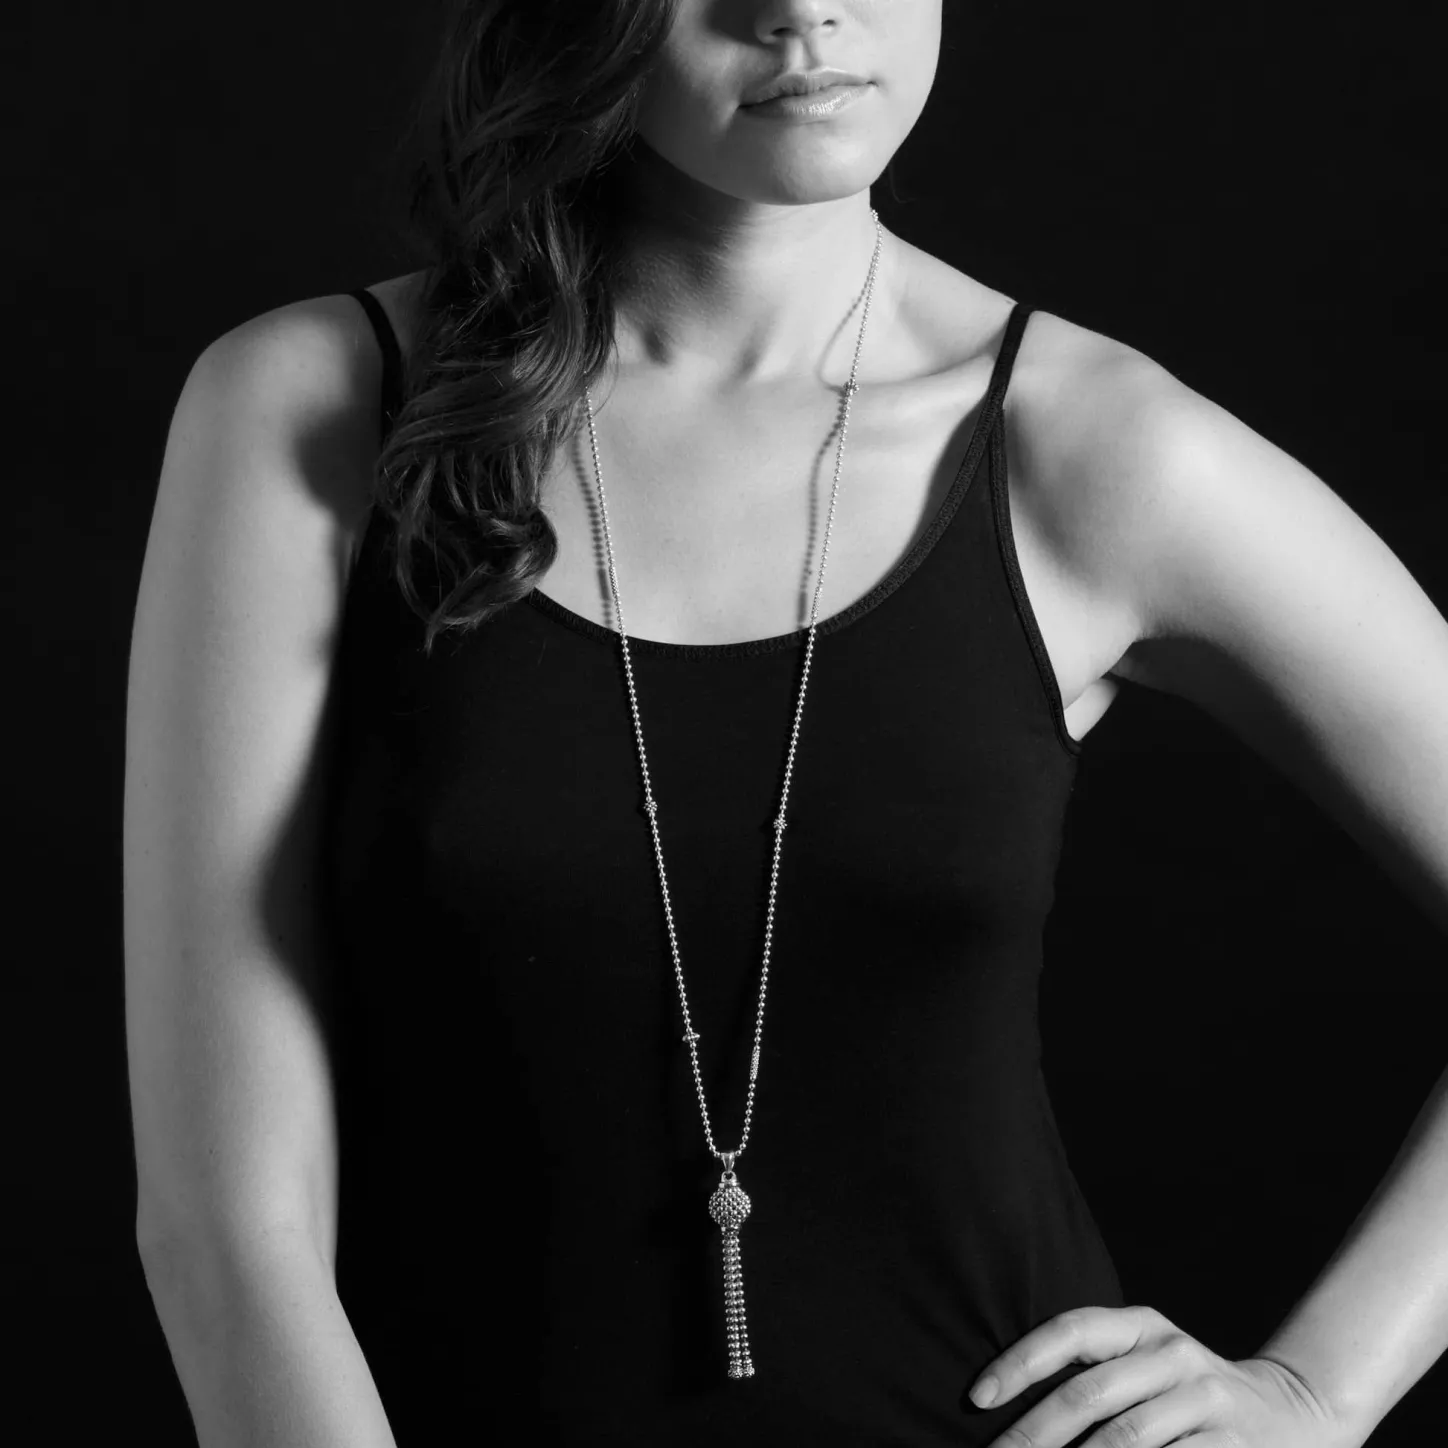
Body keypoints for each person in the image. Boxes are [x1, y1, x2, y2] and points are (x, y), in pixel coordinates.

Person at [123, 1, 1448, 1445]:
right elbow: (228, 1232)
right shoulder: (319, 406)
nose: (802, 11)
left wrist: (1316, 1391)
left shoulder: (1092, 448)